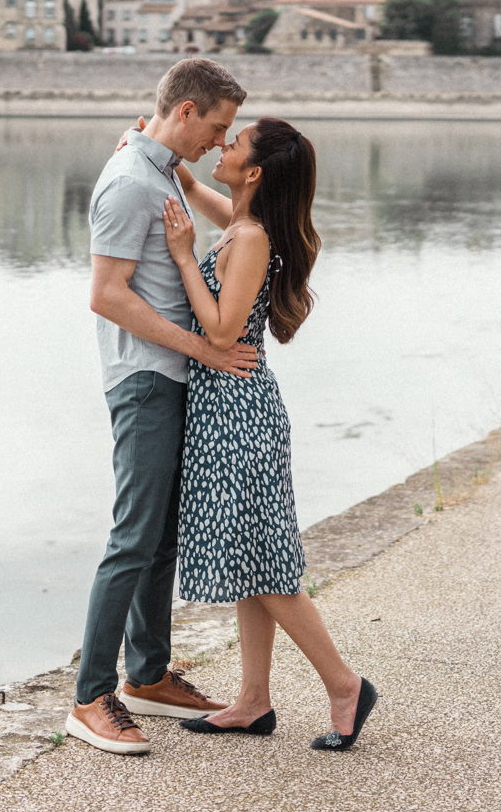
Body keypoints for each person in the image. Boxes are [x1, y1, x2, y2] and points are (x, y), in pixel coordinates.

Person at [161, 117, 377, 751]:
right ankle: (253, 700)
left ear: (253, 173)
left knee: (269, 569)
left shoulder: (249, 238)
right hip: (233, 408)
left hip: (236, 413)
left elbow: (222, 334)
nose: (222, 148)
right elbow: (209, 201)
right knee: (255, 563)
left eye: (233, 144)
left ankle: (344, 685)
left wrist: (180, 257)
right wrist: (167, 160)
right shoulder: (246, 223)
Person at [68, 59, 254, 756]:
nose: (220, 138)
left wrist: (180, 172)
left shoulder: (158, 172)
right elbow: (107, 293)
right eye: (218, 124)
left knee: (160, 536)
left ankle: (147, 673)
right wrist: (205, 351)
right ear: (185, 113)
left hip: (171, 373)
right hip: (145, 378)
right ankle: (90, 695)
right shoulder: (126, 181)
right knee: (133, 536)